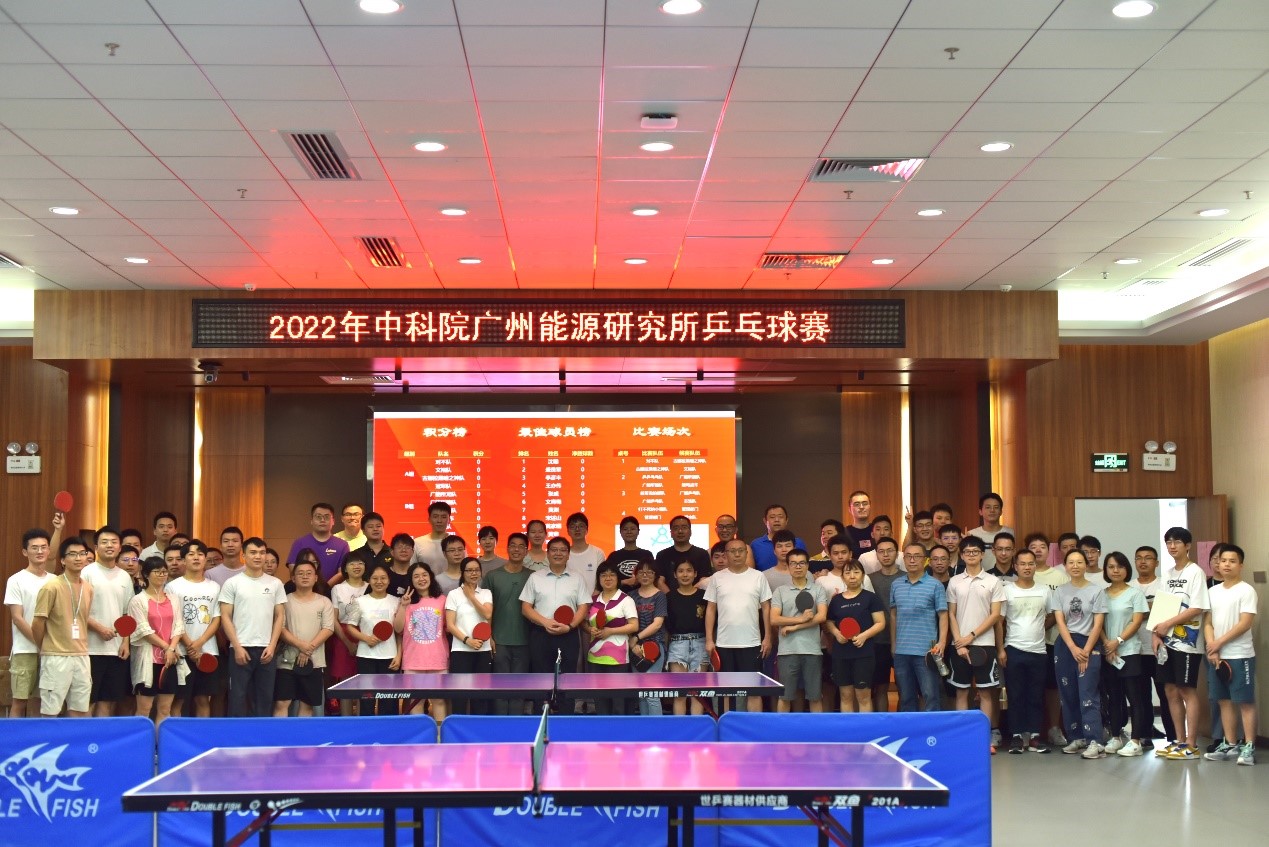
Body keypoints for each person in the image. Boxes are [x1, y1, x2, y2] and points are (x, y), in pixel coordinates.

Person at [1151, 526, 1210, 761]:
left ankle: (1192, 744)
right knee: (1170, 690)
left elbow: (1197, 607)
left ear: (1188, 545)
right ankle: (1179, 740)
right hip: (1167, 642)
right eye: (1169, 542)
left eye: (1177, 542)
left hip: (1188, 643)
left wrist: (1169, 623)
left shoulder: (1195, 572)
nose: (1172, 546)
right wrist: (1156, 634)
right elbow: (1161, 605)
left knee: (1186, 690)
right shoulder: (1167, 574)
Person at [945, 536, 1006, 752]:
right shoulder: (954, 581)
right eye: (967, 552)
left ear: (982, 554)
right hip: (959, 646)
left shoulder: (993, 582)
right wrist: (959, 642)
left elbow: (995, 615)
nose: (971, 555)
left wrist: (971, 636)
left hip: (985, 644)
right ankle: (964, 738)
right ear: (961, 555)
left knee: (986, 693)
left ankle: (983, 738)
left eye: (975, 551)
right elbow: (951, 614)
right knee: (961, 692)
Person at [219, 537, 287, 717]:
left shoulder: (275, 583)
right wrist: (237, 646)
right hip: (240, 648)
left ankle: (261, 734)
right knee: (238, 698)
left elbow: (280, 616)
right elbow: (225, 616)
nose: (258, 556)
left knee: (264, 699)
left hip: (267, 650)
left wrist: (272, 646)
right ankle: (237, 734)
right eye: (253, 552)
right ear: (243, 556)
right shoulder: (232, 583)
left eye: (262, 552)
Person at [1202, 544, 1257, 766]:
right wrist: (1212, 647)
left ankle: (1249, 747)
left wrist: (1218, 643)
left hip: (1240, 655)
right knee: (1223, 701)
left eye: (1232, 561)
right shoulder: (1211, 592)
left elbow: (1245, 623)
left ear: (1240, 565)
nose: (1226, 564)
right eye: (1222, 560)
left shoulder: (1246, 590)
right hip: (1217, 656)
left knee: (1245, 702)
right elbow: (1207, 622)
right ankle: (1230, 743)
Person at [1050, 549, 1108, 758]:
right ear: (1065, 566)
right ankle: (1076, 737)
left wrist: (1086, 650)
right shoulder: (1059, 591)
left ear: (1086, 565)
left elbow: (1098, 624)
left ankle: (1095, 740)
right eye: (1071, 562)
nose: (1075, 566)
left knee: (1088, 692)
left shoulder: (1097, 591)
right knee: (1068, 693)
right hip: (1066, 645)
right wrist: (1073, 648)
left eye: (1079, 562)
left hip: (1089, 644)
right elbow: (1060, 622)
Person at [520, 536, 588, 714]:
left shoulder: (577, 578)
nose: (558, 553)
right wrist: (545, 622)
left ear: (568, 555)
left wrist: (570, 626)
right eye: (554, 550)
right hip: (541, 634)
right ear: (548, 554)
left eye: (563, 550)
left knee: (567, 679)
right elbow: (526, 607)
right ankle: (540, 716)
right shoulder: (535, 577)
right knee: (540, 679)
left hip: (569, 635)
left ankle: (566, 718)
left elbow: (583, 607)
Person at [705, 539, 773, 712]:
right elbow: (711, 609)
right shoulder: (717, 578)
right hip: (724, 644)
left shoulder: (758, 576)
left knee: (753, 691)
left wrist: (767, 637)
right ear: (726, 554)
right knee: (725, 690)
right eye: (732, 551)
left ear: (746, 553)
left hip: (752, 643)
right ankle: (726, 723)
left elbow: (766, 608)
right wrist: (709, 639)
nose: (737, 554)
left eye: (740, 551)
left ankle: (753, 725)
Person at [32, 537, 94, 717]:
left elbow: (83, 620)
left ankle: (74, 738)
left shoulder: (88, 588)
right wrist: (45, 647)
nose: (78, 558)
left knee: (80, 710)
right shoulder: (51, 587)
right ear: (63, 560)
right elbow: (37, 623)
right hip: (56, 656)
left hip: (82, 655)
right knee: (50, 712)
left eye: (82, 554)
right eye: (72, 554)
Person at [1000, 548, 1052, 753]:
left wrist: (1039, 628)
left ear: (1035, 566)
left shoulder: (1045, 590)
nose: (1027, 567)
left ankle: (1034, 736)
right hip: (1013, 648)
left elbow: (1052, 615)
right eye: (1022, 564)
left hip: (1038, 650)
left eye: (1031, 563)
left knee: (1036, 695)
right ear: (1015, 566)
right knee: (1015, 695)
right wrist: (1001, 649)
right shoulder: (1007, 590)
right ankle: (1016, 736)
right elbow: (999, 621)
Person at [1099, 551, 1149, 757]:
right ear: (1106, 570)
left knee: (1134, 697)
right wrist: (1107, 644)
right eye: (1111, 567)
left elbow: (1136, 622)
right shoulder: (1101, 594)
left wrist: (1117, 641)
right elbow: (1098, 623)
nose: (1115, 570)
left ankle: (1136, 741)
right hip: (1108, 653)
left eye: (1120, 566)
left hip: (1129, 651)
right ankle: (1116, 736)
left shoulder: (1135, 594)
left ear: (1126, 569)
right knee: (1113, 697)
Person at [166, 539, 222, 718]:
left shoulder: (214, 587)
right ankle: (176, 735)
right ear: (183, 560)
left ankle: (202, 734)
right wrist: (190, 645)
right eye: (191, 554)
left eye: (200, 554)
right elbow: (174, 619)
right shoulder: (173, 587)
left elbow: (217, 618)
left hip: (208, 651)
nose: (196, 557)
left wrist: (199, 643)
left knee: (203, 699)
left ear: (205, 559)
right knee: (178, 700)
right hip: (181, 652)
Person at [82, 526, 134, 716]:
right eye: (104, 542)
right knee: (88, 700)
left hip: (116, 649)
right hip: (89, 649)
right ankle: (85, 735)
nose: (109, 545)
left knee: (107, 701)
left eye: (114, 542)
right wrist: (99, 628)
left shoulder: (125, 576)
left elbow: (127, 613)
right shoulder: (86, 573)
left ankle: (100, 736)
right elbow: (77, 610)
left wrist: (125, 642)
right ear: (96, 547)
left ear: (120, 547)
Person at [890, 543, 948, 713]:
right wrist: (893, 644)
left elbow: (943, 615)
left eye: (917, 556)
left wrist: (942, 642)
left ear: (925, 560)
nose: (912, 560)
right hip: (901, 651)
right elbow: (893, 615)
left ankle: (932, 730)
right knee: (906, 697)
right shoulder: (896, 584)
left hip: (927, 652)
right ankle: (910, 730)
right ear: (904, 559)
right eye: (908, 556)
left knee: (931, 696)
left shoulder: (935, 585)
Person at [273, 560, 334, 718]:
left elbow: (328, 628)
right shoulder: (284, 601)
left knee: (307, 704)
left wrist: (308, 649)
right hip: (286, 661)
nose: (305, 576)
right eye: (300, 573)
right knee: (282, 703)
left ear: (316, 578)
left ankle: (301, 734)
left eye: (309, 573)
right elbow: (280, 628)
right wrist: (301, 645)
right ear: (293, 578)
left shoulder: (324, 601)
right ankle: (279, 734)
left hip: (314, 661)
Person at [127, 557, 183, 726]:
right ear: (146, 574)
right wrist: (166, 647)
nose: (161, 575)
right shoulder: (138, 600)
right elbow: (143, 629)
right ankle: (142, 742)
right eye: (157, 571)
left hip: (170, 659)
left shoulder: (174, 599)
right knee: (144, 709)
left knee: (165, 709)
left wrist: (171, 649)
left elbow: (179, 626)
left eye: (164, 571)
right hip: (148, 659)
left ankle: (161, 742)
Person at [482, 532, 534, 715]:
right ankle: (500, 726)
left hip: (525, 641)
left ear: (526, 551)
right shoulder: (492, 576)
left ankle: (516, 726)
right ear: (507, 548)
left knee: (519, 688)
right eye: (513, 545)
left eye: (521, 546)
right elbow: (485, 609)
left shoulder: (533, 577)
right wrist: (489, 635)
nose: (516, 549)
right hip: (499, 641)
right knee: (500, 688)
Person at [824, 558, 884, 712]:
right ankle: (848, 727)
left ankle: (865, 727)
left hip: (864, 654)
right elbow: (829, 622)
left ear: (863, 576)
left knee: (863, 696)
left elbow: (880, 622)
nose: (852, 576)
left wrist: (864, 636)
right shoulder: (836, 600)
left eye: (856, 572)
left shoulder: (871, 598)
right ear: (843, 577)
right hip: (841, 654)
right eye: (848, 573)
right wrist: (836, 633)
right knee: (845, 695)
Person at [5, 528, 54, 717]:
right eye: (34, 548)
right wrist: (40, 642)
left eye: (43, 547)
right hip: (24, 650)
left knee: (41, 701)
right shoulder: (16, 580)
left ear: (49, 550)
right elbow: (17, 618)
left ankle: (38, 736)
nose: (40, 551)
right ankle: (12, 737)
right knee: (19, 701)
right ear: (25, 552)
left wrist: (48, 645)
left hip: (51, 650)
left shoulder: (55, 580)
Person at [344, 563, 401, 716]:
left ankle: (388, 728)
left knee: (389, 701)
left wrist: (399, 655)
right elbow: (350, 626)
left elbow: (399, 632)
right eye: (375, 578)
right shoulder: (360, 601)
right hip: (366, 657)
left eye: (383, 578)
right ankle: (367, 728)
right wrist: (366, 638)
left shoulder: (396, 601)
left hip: (390, 657)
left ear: (389, 580)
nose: (379, 581)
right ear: (369, 580)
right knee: (367, 699)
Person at [1131, 544, 1174, 743]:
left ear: (1156, 563)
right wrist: (1151, 608)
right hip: (1136, 649)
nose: (1143, 561)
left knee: (1166, 695)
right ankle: (1145, 734)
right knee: (1141, 696)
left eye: (1148, 558)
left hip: (1160, 649)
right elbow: (1127, 615)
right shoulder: (1129, 586)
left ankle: (1174, 737)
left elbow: (1168, 611)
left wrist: (1139, 611)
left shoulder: (1164, 584)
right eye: (1139, 558)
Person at [583, 562, 639, 715]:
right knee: (600, 701)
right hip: (595, 657)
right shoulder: (593, 600)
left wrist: (611, 631)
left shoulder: (626, 600)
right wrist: (590, 629)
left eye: (612, 575)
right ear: (598, 579)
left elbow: (634, 626)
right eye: (603, 575)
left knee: (618, 702)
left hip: (618, 659)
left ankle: (619, 730)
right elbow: (584, 623)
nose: (608, 578)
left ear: (618, 578)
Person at [397, 562, 448, 718]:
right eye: (416, 576)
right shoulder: (406, 601)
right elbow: (398, 629)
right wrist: (403, 606)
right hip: (413, 660)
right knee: (416, 702)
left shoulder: (442, 600)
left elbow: (449, 627)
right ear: (411, 580)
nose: (421, 579)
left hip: (437, 659)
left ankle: (439, 732)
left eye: (424, 575)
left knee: (439, 701)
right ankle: (420, 734)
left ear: (431, 577)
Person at [446, 557, 494, 714]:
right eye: (469, 570)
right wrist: (468, 640)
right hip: (461, 651)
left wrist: (471, 596)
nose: (474, 573)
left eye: (477, 570)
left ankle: (478, 726)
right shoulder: (453, 594)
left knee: (480, 696)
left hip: (483, 650)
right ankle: (458, 726)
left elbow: (487, 614)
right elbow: (450, 625)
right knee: (460, 696)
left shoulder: (486, 593)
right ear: (462, 573)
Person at [666, 559, 709, 715]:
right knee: (680, 694)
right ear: (675, 575)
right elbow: (667, 627)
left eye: (689, 570)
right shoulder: (669, 597)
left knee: (698, 694)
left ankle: (697, 728)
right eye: (681, 571)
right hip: (677, 644)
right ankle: (681, 728)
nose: (685, 574)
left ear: (695, 574)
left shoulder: (704, 596)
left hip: (700, 643)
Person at [328, 552, 368, 715]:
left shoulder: (370, 586)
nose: (356, 566)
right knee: (346, 681)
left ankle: (362, 718)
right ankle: (346, 718)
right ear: (344, 568)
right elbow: (334, 619)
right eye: (352, 563)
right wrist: (348, 642)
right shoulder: (338, 588)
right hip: (343, 636)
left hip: (366, 635)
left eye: (360, 563)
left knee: (364, 680)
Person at [867, 537, 902, 712]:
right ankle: (881, 723)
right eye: (881, 551)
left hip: (903, 640)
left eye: (890, 550)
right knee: (880, 687)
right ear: (876, 554)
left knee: (905, 687)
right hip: (877, 640)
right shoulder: (869, 579)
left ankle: (903, 725)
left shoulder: (906, 577)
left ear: (897, 553)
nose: (886, 555)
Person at [630, 560, 668, 715]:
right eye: (641, 572)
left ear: (655, 575)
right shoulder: (631, 596)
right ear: (636, 575)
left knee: (652, 694)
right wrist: (633, 644)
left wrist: (636, 637)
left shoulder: (660, 596)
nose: (645, 575)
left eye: (649, 572)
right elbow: (628, 622)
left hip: (655, 647)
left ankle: (657, 728)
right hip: (635, 648)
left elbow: (657, 624)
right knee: (641, 693)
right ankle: (645, 726)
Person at [288, 502, 350, 584]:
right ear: (311, 521)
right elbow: (293, 569)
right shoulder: (299, 543)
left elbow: (342, 572)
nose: (322, 520)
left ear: (333, 521)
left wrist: (325, 588)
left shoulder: (342, 545)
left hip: (332, 590)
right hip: (304, 589)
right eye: (318, 517)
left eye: (326, 517)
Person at [654, 515, 710, 589]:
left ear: (690, 532)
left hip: (697, 595)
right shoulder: (662, 555)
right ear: (671, 533)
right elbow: (659, 581)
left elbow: (704, 580)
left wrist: (691, 593)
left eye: (684, 527)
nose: (680, 531)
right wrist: (672, 595)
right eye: (676, 528)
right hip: (669, 595)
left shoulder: (702, 554)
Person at [605, 516, 656, 590]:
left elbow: (654, 578)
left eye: (632, 529)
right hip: (619, 596)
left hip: (644, 595)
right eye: (625, 529)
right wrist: (625, 582)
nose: (629, 532)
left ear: (638, 531)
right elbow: (607, 579)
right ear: (620, 532)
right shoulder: (613, 556)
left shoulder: (647, 554)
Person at [751, 504, 806, 571]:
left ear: (786, 520)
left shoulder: (798, 542)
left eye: (780, 517)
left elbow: (804, 567)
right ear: (765, 521)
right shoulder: (756, 545)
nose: (776, 520)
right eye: (772, 517)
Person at [565, 512, 605, 596]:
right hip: (568, 600)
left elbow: (602, 577)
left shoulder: (598, 552)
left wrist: (592, 599)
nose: (577, 529)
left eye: (581, 526)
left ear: (587, 530)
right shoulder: (563, 554)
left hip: (594, 600)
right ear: (568, 531)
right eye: (573, 526)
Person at [411, 501, 452, 571]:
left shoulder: (456, 544)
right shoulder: (417, 543)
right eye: (435, 517)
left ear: (449, 520)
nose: (439, 521)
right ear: (429, 519)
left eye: (443, 517)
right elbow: (411, 570)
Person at [844, 491, 875, 559]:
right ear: (849, 509)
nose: (861, 507)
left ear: (870, 507)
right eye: (857, 504)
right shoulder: (844, 533)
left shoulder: (877, 530)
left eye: (865, 503)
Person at [384, 533, 415, 599]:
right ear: (392, 551)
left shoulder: (416, 575)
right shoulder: (383, 575)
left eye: (407, 547)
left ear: (412, 552)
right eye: (399, 547)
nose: (403, 550)